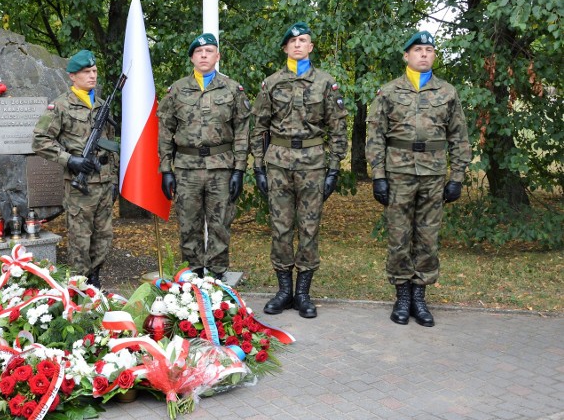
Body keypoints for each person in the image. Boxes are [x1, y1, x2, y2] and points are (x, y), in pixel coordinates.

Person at [366, 31, 471, 327]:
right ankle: (402, 296)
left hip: (434, 175)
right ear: (406, 56)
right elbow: (375, 137)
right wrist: (378, 176)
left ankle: (420, 298)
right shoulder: (388, 92)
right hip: (398, 173)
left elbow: (459, 137)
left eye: (429, 50)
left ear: (434, 56)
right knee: (399, 236)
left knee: (427, 237)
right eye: (418, 50)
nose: (424, 54)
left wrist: (457, 177)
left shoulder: (447, 93)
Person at [251, 22, 348, 318]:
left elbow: (338, 127)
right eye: (292, 41)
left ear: (310, 47)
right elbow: (259, 126)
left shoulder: (326, 83)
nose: (297, 45)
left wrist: (334, 168)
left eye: (303, 40)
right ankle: (283, 291)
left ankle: (303, 293)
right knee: (281, 229)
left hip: (313, 163)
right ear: (285, 49)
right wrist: (258, 166)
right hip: (279, 163)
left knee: (308, 228)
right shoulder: (271, 84)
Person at [157, 33, 250, 280]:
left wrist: (239, 170)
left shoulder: (232, 89)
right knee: (189, 224)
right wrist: (166, 169)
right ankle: (194, 273)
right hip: (187, 169)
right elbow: (165, 131)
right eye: (199, 52)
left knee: (220, 224)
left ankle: (217, 275)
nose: (204, 55)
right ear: (192, 58)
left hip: (222, 167)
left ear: (217, 56)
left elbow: (242, 131)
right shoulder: (177, 90)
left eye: (209, 51)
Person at [32, 49, 116, 288]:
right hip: (80, 186)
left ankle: (95, 279)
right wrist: (69, 159)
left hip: (104, 181)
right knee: (80, 239)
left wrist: (115, 180)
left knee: (104, 236)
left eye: (94, 71)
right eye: (86, 72)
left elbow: (111, 146)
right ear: (72, 76)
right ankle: (79, 285)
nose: (92, 76)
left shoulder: (102, 106)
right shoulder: (60, 106)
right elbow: (40, 141)